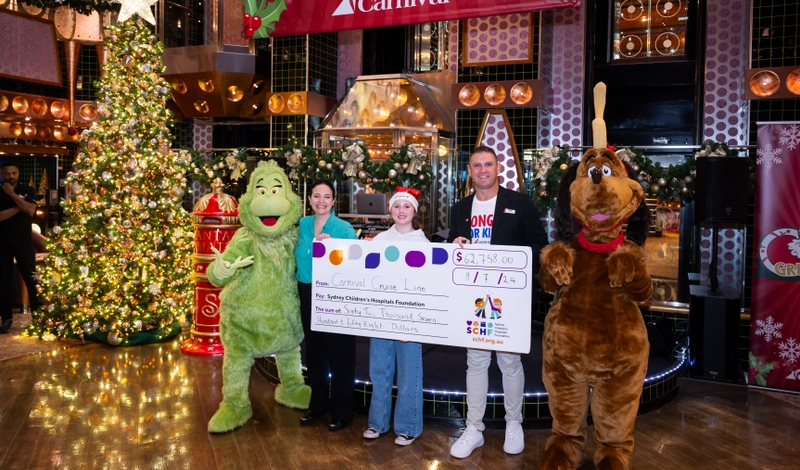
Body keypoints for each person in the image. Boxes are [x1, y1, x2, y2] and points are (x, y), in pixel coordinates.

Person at [446, 146, 549, 458]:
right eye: (476, 165)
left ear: (497, 167)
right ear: (470, 171)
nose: (482, 170)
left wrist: (515, 263)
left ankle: (513, 423)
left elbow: (540, 246)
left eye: (487, 164)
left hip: (510, 299)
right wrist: (455, 243)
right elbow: (453, 244)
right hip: (473, 298)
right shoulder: (460, 207)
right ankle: (474, 427)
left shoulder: (519, 203)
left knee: (509, 361)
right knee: (476, 361)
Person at [363, 187, 427, 446]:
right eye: (397, 206)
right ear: (390, 210)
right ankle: (377, 423)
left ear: (414, 211)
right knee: (379, 369)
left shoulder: (424, 243)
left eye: (406, 206)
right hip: (382, 315)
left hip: (409, 319)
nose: (401, 211)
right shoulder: (378, 240)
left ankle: (408, 426)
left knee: (410, 372)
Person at [295, 180, 358, 431]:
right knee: (315, 352)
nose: (321, 201)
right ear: (309, 199)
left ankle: (342, 412)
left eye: (327, 196)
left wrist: (334, 249)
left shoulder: (343, 228)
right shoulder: (302, 225)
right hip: (307, 292)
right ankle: (318, 405)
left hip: (335, 295)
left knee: (340, 353)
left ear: (334, 201)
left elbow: (356, 263)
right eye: (316, 196)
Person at [0, 161, 38, 334]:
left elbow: (30, 211)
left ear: (18, 174)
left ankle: (39, 317)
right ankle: (6, 319)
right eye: (7, 173)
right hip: (2, 243)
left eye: (14, 173)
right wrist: (19, 205)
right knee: (3, 281)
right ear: (2, 175)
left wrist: (13, 195)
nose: (11, 176)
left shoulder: (28, 190)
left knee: (32, 278)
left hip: (24, 242)